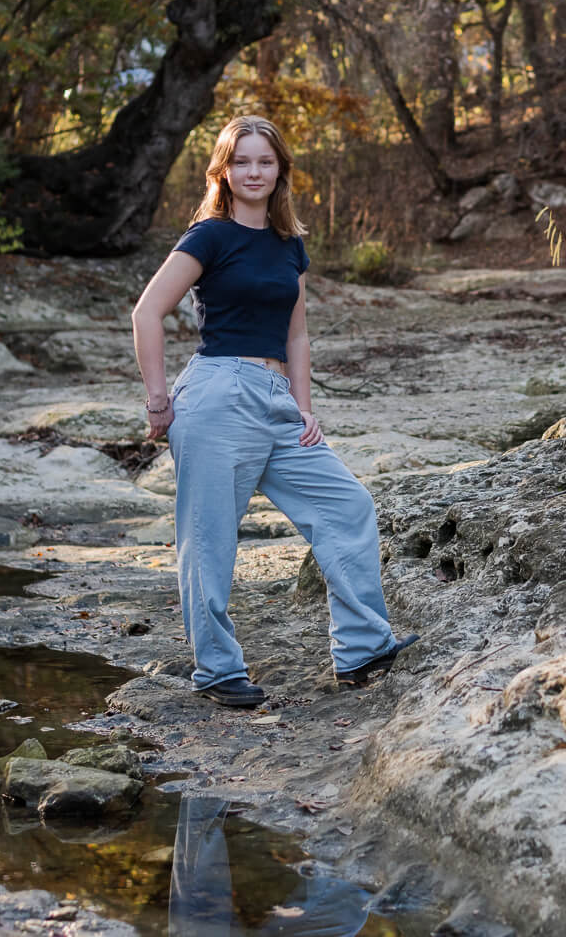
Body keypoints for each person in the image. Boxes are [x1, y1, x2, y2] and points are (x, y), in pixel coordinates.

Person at [130, 115, 417, 708]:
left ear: (281, 169)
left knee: (347, 504)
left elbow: (298, 338)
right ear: (224, 172)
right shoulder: (208, 237)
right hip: (216, 393)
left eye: (265, 161)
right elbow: (147, 313)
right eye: (241, 162)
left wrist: (304, 408)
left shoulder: (290, 247)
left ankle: (362, 648)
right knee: (210, 539)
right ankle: (215, 670)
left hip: (275, 398)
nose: (253, 172)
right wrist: (158, 400)